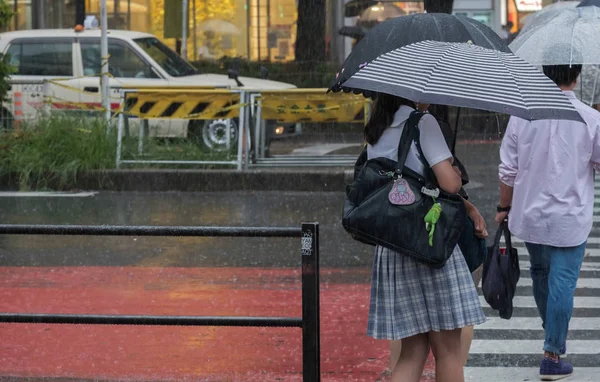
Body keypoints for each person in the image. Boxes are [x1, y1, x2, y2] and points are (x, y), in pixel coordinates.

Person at [365, 94, 486, 382]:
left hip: (394, 242)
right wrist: (454, 173)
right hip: (430, 241)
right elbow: (448, 184)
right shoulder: (423, 123)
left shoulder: (377, 128)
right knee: (448, 351)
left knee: (412, 351)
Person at [496, 63, 600, 381]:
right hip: (571, 215)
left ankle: (551, 332)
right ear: (577, 75)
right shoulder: (591, 118)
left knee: (541, 273)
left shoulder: (521, 115)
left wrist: (503, 206)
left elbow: (507, 171)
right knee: (563, 283)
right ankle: (552, 353)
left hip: (531, 213)